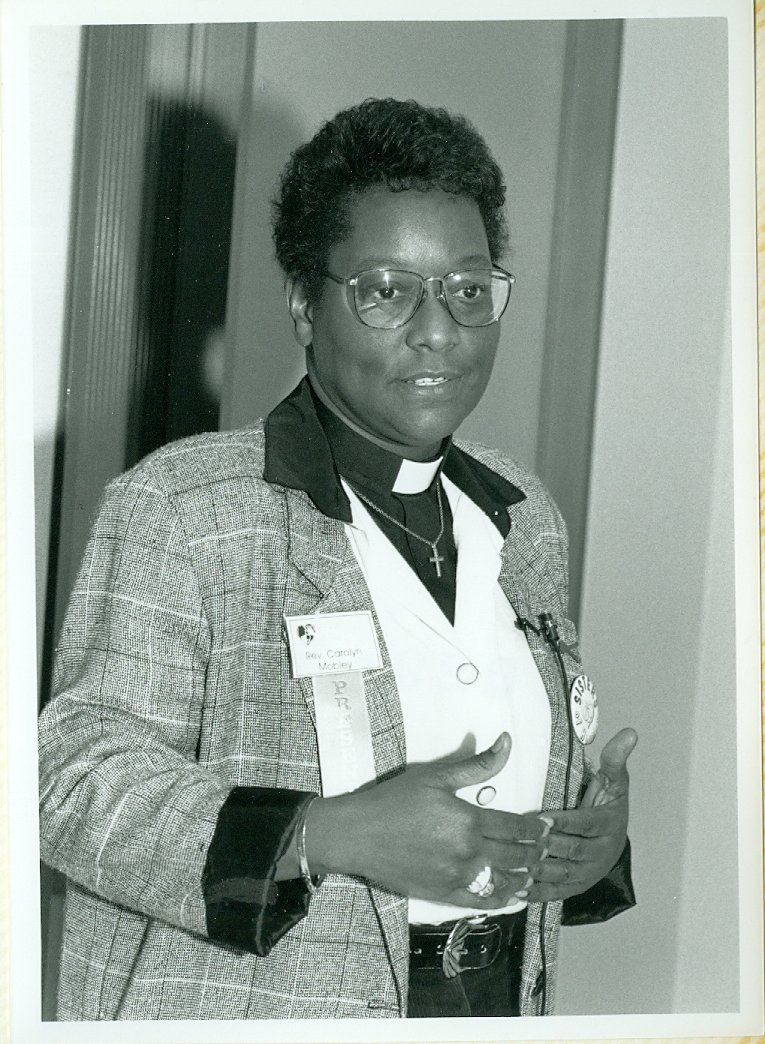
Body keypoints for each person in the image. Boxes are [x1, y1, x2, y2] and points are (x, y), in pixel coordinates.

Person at [38, 97, 637, 1021]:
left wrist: (586, 844)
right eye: (386, 290)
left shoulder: (522, 516)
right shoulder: (186, 507)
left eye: (467, 288)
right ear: (304, 306)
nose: (438, 329)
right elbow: (67, 782)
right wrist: (323, 835)